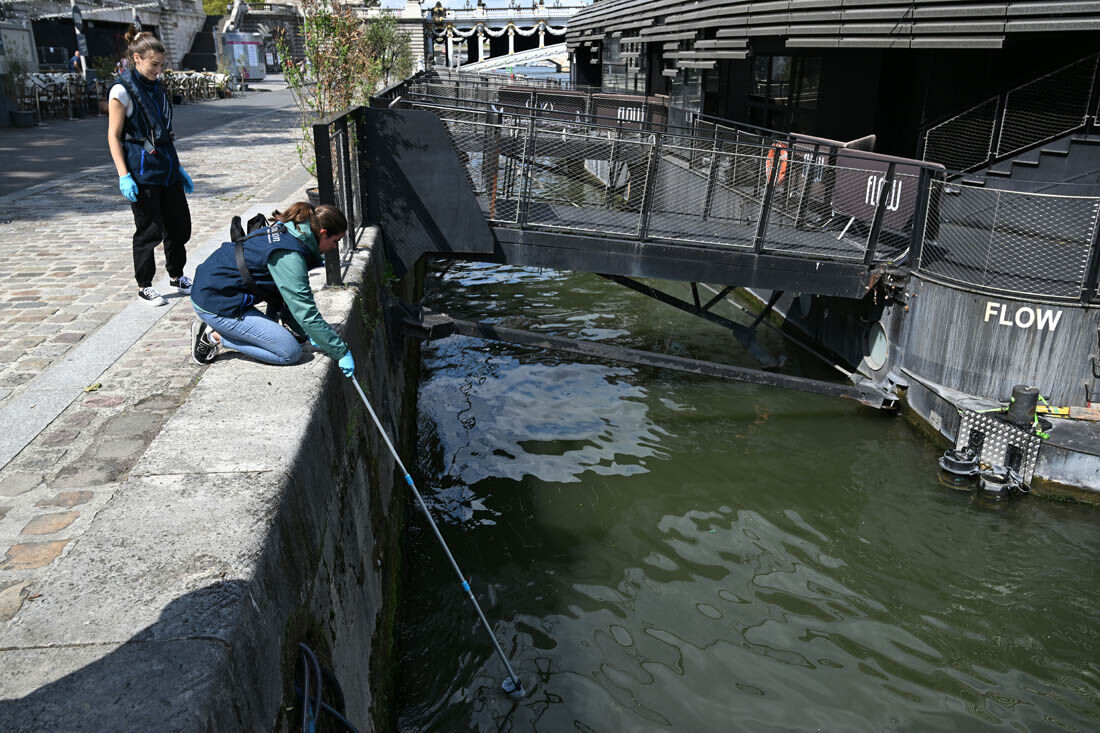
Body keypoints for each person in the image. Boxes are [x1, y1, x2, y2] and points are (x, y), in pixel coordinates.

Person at [188, 202, 355, 378]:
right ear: (322, 233)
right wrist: (340, 352)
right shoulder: (290, 255)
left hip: (221, 290)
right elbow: (305, 311)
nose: (335, 247)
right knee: (289, 352)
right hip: (217, 303)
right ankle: (214, 336)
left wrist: (306, 333)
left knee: (285, 339)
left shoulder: (290, 231)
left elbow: (285, 297)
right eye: (335, 241)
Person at [106, 29, 194, 306]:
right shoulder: (122, 90)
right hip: (142, 172)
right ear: (137, 58)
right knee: (149, 231)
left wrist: (177, 167)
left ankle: (176, 275)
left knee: (179, 226)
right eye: (154, 64)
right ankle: (144, 285)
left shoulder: (157, 87)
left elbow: (164, 132)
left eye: (161, 65)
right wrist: (123, 176)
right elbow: (113, 135)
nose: (158, 70)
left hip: (167, 167)